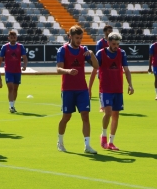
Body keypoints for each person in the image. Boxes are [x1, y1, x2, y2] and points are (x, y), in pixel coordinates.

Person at [56, 25, 99, 153]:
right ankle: (60, 142)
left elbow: (96, 66)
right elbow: (58, 69)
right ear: (70, 37)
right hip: (68, 89)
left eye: (81, 38)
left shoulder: (84, 50)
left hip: (82, 89)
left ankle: (87, 146)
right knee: (66, 117)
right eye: (77, 38)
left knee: (85, 116)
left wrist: (91, 54)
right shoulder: (62, 50)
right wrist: (68, 71)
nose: (79, 40)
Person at [97, 32, 134, 150]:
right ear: (108, 42)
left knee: (116, 116)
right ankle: (103, 136)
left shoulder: (121, 53)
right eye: (114, 44)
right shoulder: (101, 53)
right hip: (106, 89)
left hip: (118, 89)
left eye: (117, 44)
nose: (116, 46)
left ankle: (111, 142)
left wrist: (130, 85)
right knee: (108, 113)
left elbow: (126, 70)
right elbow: (95, 68)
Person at [0, 30, 28, 113]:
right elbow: (0, 59)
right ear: (8, 38)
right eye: (11, 37)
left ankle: (13, 105)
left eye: (14, 37)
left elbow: (24, 57)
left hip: (17, 71)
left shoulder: (20, 46)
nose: (13, 39)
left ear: (16, 38)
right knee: (10, 88)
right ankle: (11, 106)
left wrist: (24, 66)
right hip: (8, 70)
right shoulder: (5, 47)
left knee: (15, 89)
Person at [89, 25, 113, 112]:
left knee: (111, 86)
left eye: (111, 30)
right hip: (102, 68)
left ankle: (109, 104)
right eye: (109, 30)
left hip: (111, 69)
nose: (110, 31)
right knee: (102, 86)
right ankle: (102, 106)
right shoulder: (100, 43)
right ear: (105, 32)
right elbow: (98, 57)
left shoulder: (114, 42)